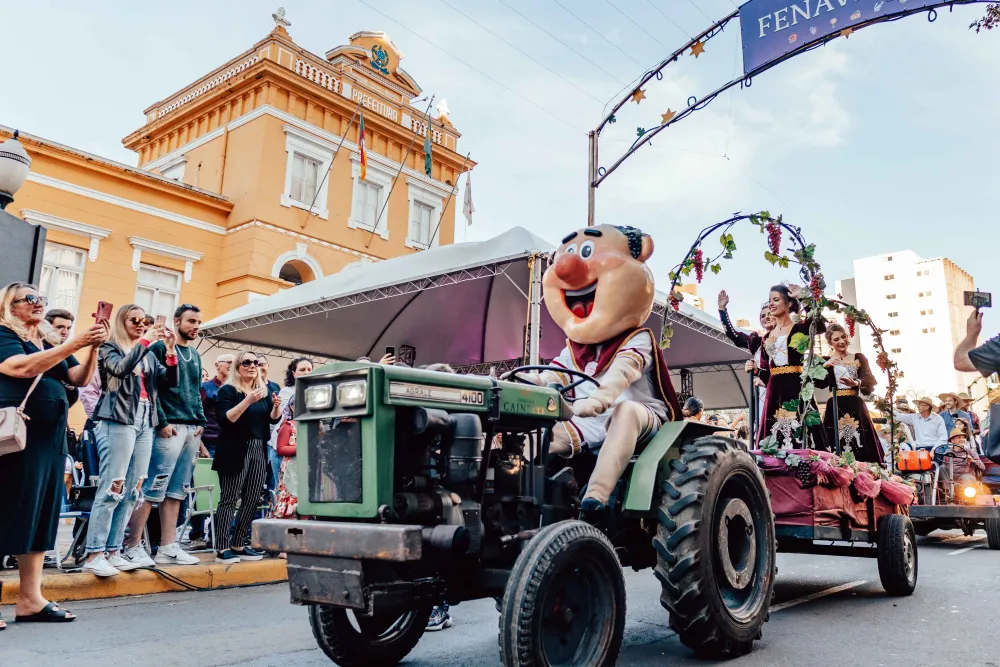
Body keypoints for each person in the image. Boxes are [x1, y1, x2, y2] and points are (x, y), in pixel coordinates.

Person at [0, 284, 105, 627]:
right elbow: (18, 369)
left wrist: (91, 349)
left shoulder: (45, 338)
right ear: (9, 305)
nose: (38, 304)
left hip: (47, 441)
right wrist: (73, 343)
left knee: (39, 516)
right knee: (5, 511)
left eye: (41, 299)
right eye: (29, 299)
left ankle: (30, 599)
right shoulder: (3, 333)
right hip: (13, 439)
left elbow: (77, 377)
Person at [82, 305, 177, 577]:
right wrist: (147, 341)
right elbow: (120, 370)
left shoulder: (146, 353)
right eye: (134, 319)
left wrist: (170, 350)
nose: (140, 323)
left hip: (145, 419)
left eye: (145, 320)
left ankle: (114, 551)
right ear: (121, 321)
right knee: (113, 486)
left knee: (134, 489)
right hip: (117, 418)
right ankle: (95, 553)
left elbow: (169, 381)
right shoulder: (109, 348)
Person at [122, 305, 205, 567]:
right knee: (152, 489)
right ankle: (132, 545)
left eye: (199, 322)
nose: (195, 326)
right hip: (169, 426)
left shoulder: (194, 353)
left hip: (191, 427)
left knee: (177, 491)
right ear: (177, 321)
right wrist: (162, 422)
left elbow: (195, 390)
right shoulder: (159, 347)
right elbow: (153, 388)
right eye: (191, 321)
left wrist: (200, 421)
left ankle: (168, 547)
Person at [213, 351, 281, 563]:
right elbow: (226, 419)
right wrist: (247, 401)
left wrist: (276, 407)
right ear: (237, 367)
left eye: (256, 362)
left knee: (252, 497)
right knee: (230, 498)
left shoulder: (263, 391)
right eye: (247, 362)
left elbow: (271, 420)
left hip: (259, 447)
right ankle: (222, 547)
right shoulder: (228, 390)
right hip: (235, 448)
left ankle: (239, 543)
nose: (252, 366)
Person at [756, 284, 829, 449]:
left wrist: (803, 297)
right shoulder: (766, 337)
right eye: (769, 301)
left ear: (788, 304)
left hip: (795, 385)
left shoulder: (799, 328)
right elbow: (764, 371)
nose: (771, 304)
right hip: (774, 391)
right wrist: (756, 372)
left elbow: (819, 325)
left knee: (801, 430)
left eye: (776, 300)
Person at [821, 323, 883, 462]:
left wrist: (857, 383)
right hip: (835, 406)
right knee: (835, 441)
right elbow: (818, 382)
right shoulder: (825, 361)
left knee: (861, 440)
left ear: (848, 337)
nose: (841, 341)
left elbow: (869, 379)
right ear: (830, 343)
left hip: (855, 405)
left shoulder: (858, 357)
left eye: (843, 337)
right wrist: (825, 367)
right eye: (836, 339)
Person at [719, 291, 775, 421]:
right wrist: (722, 310)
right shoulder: (756, 343)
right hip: (761, 395)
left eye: (770, 314)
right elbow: (733, 335)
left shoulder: (787, 339)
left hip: (783, 391)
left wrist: (759, 371)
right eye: (762, 316)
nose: (766, 317)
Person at [267, 357, 311, 494]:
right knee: (283, 489)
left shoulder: (316, 391)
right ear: (294, 373)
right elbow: (283, 418)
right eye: (302, 369)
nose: (307, 372)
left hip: (300, 448)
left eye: (309, 369)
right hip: (284, 444)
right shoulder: (287, 391)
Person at [200, 354, 234, 459]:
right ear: (217, 365)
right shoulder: (205, 388)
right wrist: (201, 446)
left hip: (231, 443)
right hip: (209, 443)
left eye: (234, 364)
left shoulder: (236, 389)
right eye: (229, 362)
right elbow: (196, 417)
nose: (232, 366)